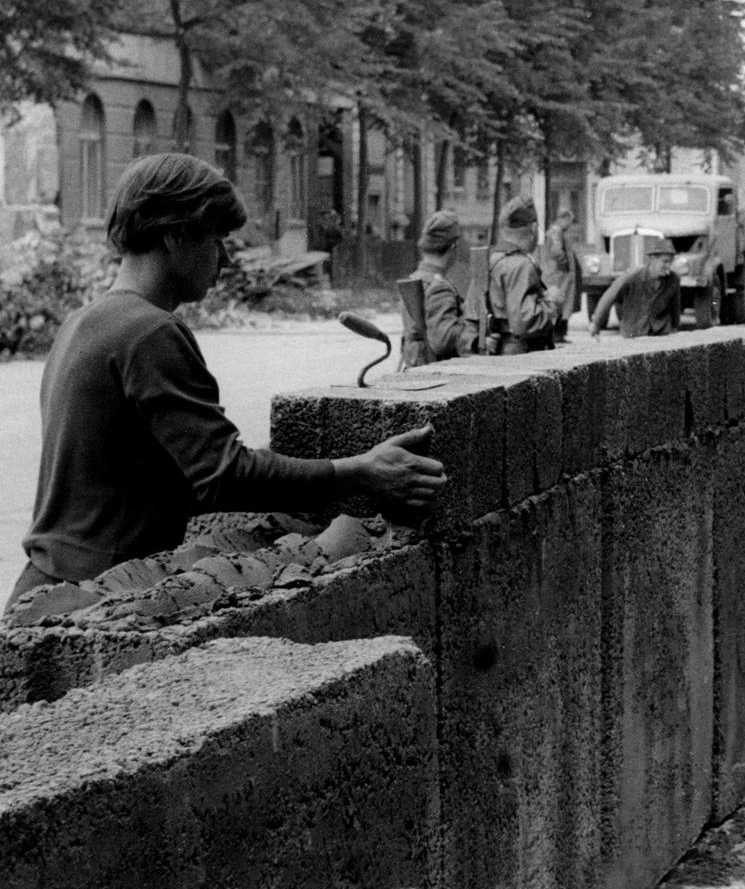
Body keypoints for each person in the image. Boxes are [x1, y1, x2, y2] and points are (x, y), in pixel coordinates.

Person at [6, 153, 446, 611]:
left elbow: (161, 476)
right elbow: (224, 476)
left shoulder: (84, 322)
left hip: (43, 589)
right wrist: (362, 471)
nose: (226, 259)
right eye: (217, 241)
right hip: (93, 601)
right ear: (175, 235)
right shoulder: (151, 332)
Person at [399, 210, 477, 368]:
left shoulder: (416, 278)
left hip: (417, 368)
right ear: (453, 246)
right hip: (437, 373)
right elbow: (444, 340)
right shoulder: (439, 287)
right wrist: (471, 328)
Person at [487, 194, 560, 354]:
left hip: (496, 352)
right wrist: (552, 302)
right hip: (521, 354)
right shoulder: (522, 265)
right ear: (534, 228)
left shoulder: (491, 259)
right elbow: (525, 322)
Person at [589, 238, 681, 339]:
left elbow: (675, 306)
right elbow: (609, 297)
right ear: (652, 259)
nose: (668, 266)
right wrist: (596, 323)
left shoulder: (673, 279)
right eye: (665, 261)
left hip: (661, 332)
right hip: (634, 333)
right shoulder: (632, 276)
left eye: (670, 262)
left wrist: (675, 327)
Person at [540, 208, 579, 344]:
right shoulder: (556, 232)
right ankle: (558, 334)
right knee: (560, 303)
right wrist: (565, 264)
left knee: (561, 303)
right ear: (564, 219)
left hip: (557, 274)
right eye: (569, 221)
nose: (570, 225)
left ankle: (558, 334)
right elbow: (557, 251)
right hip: (558, 275)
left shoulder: (556, 232)